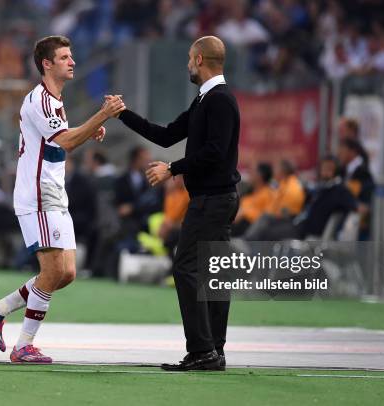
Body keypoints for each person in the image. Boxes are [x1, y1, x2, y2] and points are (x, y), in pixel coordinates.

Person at [0, 35, 125, 363]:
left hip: (54, 192)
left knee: (66, 273)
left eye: (71, 56)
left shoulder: (54, 99)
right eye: (64, 57)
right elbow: (67, 142)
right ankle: (23, 346)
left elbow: (57, 146)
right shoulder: (41, 100)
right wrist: (102, 116)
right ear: (47, 64)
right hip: (38, 193)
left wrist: (88, 130)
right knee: (53, 270)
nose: (72, 62)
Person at [112, 35, 240, 371]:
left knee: (187, 268)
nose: (186, 65)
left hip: (213, 200)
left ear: (199, 59)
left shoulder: (220, 101)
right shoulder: (206, 100)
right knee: (212, 275)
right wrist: (123, 114)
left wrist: (172, 168)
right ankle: (214, 351)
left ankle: (203, 350)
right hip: (212, 199)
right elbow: (167, 134)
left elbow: (215, 152)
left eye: (188, 58)